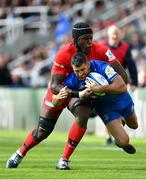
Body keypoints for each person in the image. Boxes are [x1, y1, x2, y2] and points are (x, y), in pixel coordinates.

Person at [6, 22, 129, 170]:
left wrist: (114, 93)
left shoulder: (101, 50)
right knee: (42, 131)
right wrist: (78, 93)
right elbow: (54, 86)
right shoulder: (63, 54)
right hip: (61, 92)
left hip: (79, 94)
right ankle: (20, 153)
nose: (90, 42)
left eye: (91, 38)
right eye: (85, 39)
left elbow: (122, 74)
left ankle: (64, 159)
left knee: (83, 115)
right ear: (76, 40)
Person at [55, 52, 138, 169]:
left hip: (121, 100)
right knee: (124, 141)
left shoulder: (102, 67)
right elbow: (56, 98)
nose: (80, 74)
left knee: (134, 125)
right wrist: (61, 97)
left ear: (88, 64)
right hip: (105, 108)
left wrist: (100, 88)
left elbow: (122, 87)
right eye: (76, 71)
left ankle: (121, 122)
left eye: (82, 69)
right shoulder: (73, 79)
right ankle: (118, 135)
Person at [100, 25, 138, 144]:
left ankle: (117, 133)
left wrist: (134, 82)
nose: (115, 35)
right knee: (108, 110)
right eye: (113, 33)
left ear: (120, 34)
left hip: (120, 83)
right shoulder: (102, 47)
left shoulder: (125, 48)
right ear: (108, 35)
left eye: (117, 33)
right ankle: (108, 135)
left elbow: (131, 65)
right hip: (105, 83)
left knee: (121, 110)